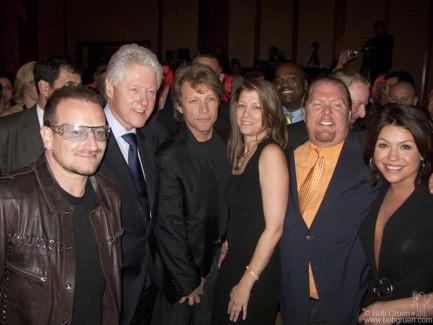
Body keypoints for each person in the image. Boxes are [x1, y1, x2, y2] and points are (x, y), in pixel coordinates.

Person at [0, 85, 122, 324]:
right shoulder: (8, 199)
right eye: (76, 131)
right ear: (47, 136)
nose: (92, 144)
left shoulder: (110, 196)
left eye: (99, 132)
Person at [280, 77, 380, 325]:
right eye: (318, 104)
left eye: (336, 104)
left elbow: (411, 153)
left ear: (350, 114)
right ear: (305, 110)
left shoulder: (373, 154)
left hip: (344, 298)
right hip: (291, 296)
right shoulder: (282, 156)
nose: (326, 111)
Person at [97, 43, 168, 325]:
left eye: (151, 91)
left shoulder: (153, 136)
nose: (144, 100)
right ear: (110, 88)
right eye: (135, 90)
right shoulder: (88, 138)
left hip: (151, 278)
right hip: (108, 284)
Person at [155, 63, 230, 325]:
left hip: (217, 262)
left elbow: (226, 199)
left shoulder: (225, 143)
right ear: (178, 105)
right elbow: (168, 227)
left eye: (210, 99)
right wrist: (188, 280)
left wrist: (227, 237)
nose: (204, 109)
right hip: (182, 272)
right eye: (194, 100)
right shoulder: (170, 156)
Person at [212, 78, 288, 324]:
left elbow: (274, 229)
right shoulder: (241, 151)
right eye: (242, 105)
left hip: (257, 267)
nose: (246, 114)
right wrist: (228, 240)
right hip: (237, 256)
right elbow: (245, 210)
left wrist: (247, 282)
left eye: (256, 107)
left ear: (270, 113)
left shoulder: (270, 153)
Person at [358, 105, 433, 324]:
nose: (392, 157)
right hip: (370, 309)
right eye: (383, 145)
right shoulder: (375, 192)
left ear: (422, 151)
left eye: (405, 147)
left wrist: (394, 309)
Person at [0, 56, 82, 173]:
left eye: (79, 87)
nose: (77, 94)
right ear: (44, 87)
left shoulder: (85, 127)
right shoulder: (6, 130)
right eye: (69, 86)